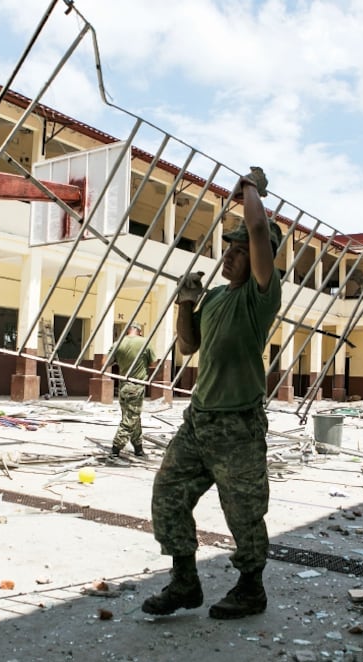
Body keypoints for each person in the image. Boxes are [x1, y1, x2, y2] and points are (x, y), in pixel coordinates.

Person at [142, 167, 282, 620]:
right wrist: (185, 301)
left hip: (238, 425)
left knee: (243, 513)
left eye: (241, 252)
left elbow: (259, 227)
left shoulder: (261, 295)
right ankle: (185, 581)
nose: (231, 257)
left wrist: (252, 190)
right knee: (167, 495)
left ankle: (250, 588)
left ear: (259, 259)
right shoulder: (219, 297)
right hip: (199, 420)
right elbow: (187, 345)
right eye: (229, 249)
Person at [108, 322, 155, 457]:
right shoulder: (144, 343)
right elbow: (153, 363)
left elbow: (105, 362)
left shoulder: (118, 343)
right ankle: (115, 451)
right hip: (136, 386)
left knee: (134, 417)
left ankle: (138, 448)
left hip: (123, 385)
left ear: (128, 331)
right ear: (139, 331)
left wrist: (122, 359)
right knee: (130, 419)